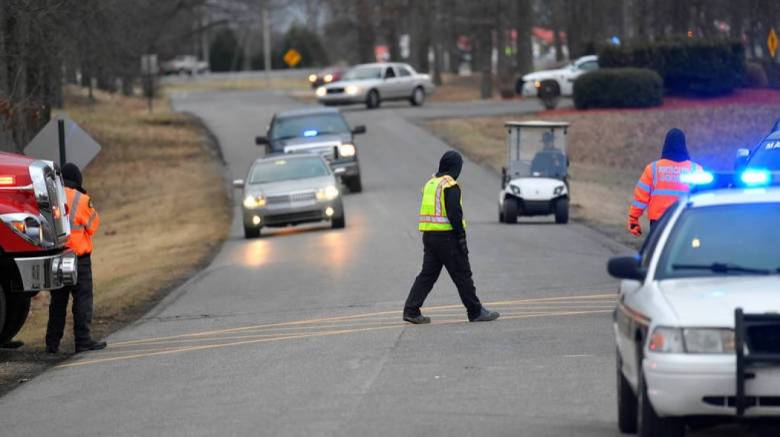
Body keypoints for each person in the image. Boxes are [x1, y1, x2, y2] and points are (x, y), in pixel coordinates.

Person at [403, 151, 499, 324]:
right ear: (454, 167)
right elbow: (455, 214)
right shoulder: (450, 185)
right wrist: (461, 236)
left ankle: (411, 310)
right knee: (462, 274)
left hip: (430, 236)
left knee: (427, 275)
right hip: (447, 237)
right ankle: (475, 311)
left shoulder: (431, 183)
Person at [45, 163, 107, 353]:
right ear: (78, 179)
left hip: (57, 257)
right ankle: (82, 341)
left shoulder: (51, 197)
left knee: (58, 302)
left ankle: (52, 344)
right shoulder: (82, 199)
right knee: (82, 300)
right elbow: (93, 225)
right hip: (79, 259)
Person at [628, 128, 702, 236]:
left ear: (665, 145)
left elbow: (640, 198)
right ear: (684, 145)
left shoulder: (653, 169)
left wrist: (633, 219)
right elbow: (703, 197)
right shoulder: (696, 170)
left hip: (658, 222)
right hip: (685, 221)